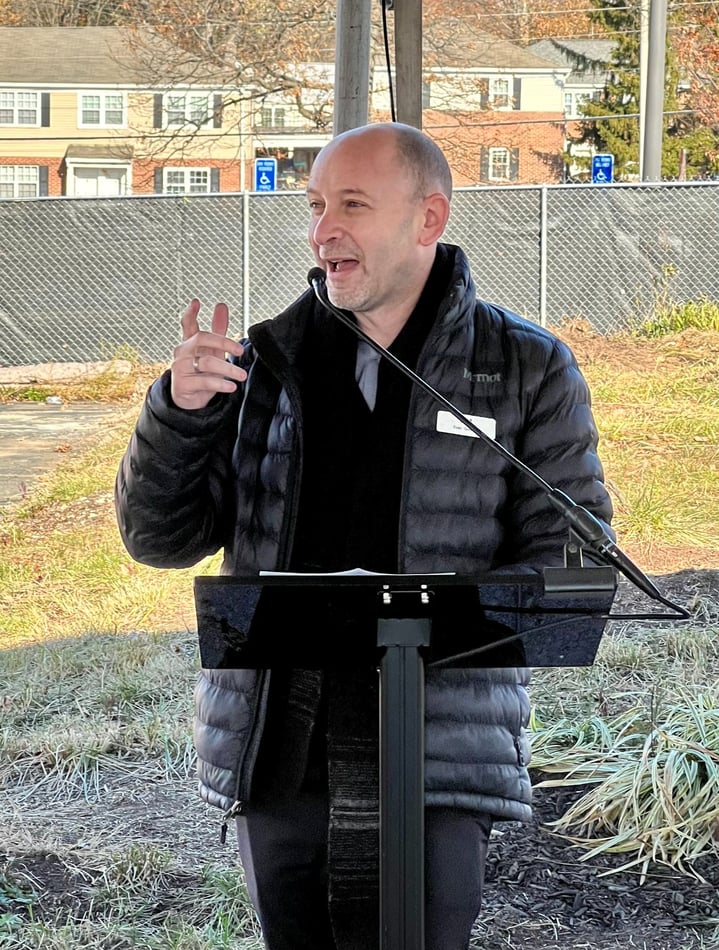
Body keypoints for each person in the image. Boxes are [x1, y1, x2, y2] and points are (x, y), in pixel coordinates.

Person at [115, 122, 613, 950]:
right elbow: (157, 539)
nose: (322, 231)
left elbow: (570, 556)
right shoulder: (259, 364)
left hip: (437, 752)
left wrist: (430, 613)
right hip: (280, 745)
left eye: (352, 204)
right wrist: (178, 415)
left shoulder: (524, 366)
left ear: (427, 219)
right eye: (315, 206)